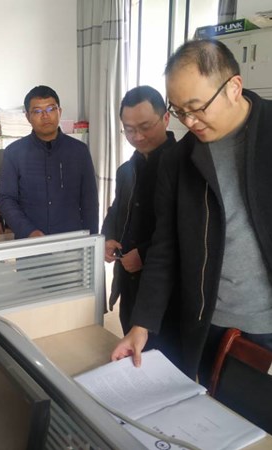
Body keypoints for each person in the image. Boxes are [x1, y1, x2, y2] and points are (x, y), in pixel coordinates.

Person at [111, 38, 272, 387]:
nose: (189, 121)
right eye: (179, 110)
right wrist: (142, 324)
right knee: (218, 416)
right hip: (212, 330)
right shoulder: (177, 161)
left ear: (234, 87)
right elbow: (165, 248)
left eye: (197, 107)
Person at [101, 86, 180, 358]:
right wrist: (107, 237)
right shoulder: (127, 170)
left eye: (145, 127)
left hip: (169, 289)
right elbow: (116, 210)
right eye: (129, 129)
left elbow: (186, 229)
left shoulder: (185, 167)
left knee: (165, 360)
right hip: (129, 281)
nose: (137, 136)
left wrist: (144, 255)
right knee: (133, 355)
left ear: (166, 118)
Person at [0, 85, 99, 238]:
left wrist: (92, 242)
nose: (45, 116)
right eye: (37, 111)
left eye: (51, 109)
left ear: (60, 111)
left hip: (72, 241)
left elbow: (89, 201)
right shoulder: (14, 153)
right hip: (30, 242)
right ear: (28, 117)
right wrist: (28, 231)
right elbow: (5, 198)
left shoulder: (79, 151)